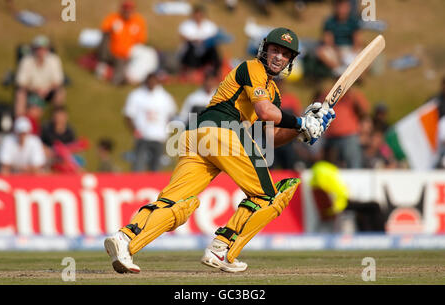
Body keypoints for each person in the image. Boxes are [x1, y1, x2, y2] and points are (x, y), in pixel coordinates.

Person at [104, 27, 336, 274]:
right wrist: (301, 122)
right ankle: (221, 249)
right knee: (269, 197)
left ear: (291, 60)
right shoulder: (252, 68)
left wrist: (303, 132)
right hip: (224, 130)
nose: (279, 57)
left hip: (198, 135)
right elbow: (265, 113)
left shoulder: (273, 92)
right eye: (275, 50)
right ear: (264, 50)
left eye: (285, 54)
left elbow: (269, 138)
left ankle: (125, 239)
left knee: (176, 202)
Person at [123, 73, 177, 172]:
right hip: (142, 137)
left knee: (156, 168)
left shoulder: (165, 97)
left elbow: (172, 115)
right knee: (138, 167)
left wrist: (166, 130)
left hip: (159, 137)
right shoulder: (137, 95)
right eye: (150, 81)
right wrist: (134, 130)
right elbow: (128, 115)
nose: (152, 83)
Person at [98, 0, 147, 85]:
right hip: (113, 53)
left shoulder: (138, 21)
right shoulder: (113, 18)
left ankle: (126, 77)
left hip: (129, 53)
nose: (127, 12)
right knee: (119, 63)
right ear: (121, 9)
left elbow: (141, 41)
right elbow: (104, 32)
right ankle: (117, 77)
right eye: (125, 9)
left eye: (130, 9)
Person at [15, 35, 65, 116]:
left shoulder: (54, 60)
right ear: (33, 49)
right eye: (38, 48)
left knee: (60, 92)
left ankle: (57, 117)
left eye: (43, 48)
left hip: (48, 92)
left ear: (47, 49)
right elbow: (21, 82)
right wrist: (35, 90)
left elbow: (58, 81)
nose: (41, 51)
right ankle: (19, 120)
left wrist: (46, 90)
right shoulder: (26, 61)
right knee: (20, 94)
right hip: (31, 91)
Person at [321, 85, 370, 168]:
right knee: (329, 167)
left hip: (349, 136)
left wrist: (352, 95)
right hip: (331, 137)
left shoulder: (354, 95)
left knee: (353, 166)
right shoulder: (327, 94)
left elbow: (364, 111)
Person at [316, 0, 362, 76]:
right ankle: (339, 70)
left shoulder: (353, 21)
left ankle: (356, 75)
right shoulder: (330, 22)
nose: (342, 10)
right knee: (321, 52)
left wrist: (352, 53)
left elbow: (357, 40)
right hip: (335, 49)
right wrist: (339, 53)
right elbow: (328, 41)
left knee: (364, 53)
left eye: (344, 7)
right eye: (340, 7)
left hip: (350, 49)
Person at [178, 4, 222, 76]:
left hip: (206, 52)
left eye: (200, 14)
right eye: (196, 14)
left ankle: (217, 73)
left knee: (214, 50)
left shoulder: (210, 25)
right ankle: (190, 74)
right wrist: (195, 41)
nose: (198, 16)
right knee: (191, 47)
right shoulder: (186, 25)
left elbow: (215, 38)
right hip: (191, 52)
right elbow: (183, 37)